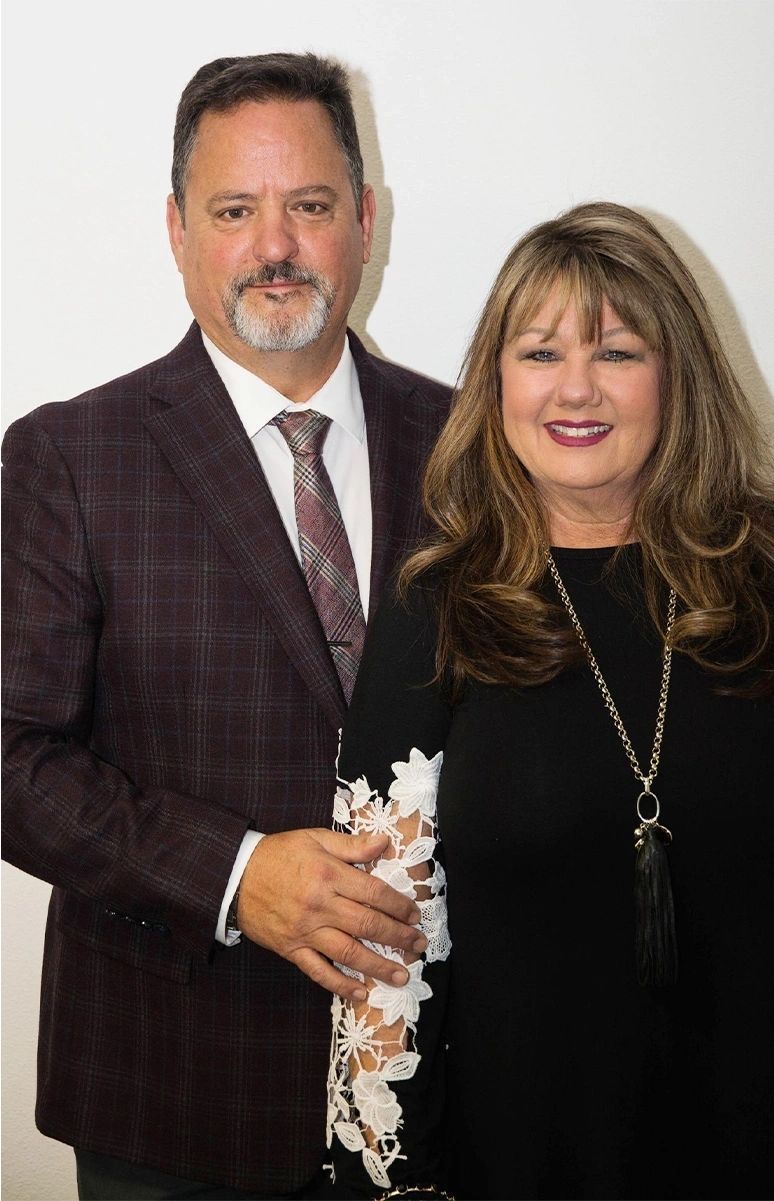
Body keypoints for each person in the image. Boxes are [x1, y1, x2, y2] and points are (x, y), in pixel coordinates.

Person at [2, 53, 450, 1199]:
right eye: (234, 211)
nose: (274, 246)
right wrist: (237, 874)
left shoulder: (467, 444)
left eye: (306, 205)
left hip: (447, 1080)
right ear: (177, 229)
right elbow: (11, 762)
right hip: (172, 1092)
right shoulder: (67, 457)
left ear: (362, 217)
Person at [326, 202, 774, 1200]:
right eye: (539, 352)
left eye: (618, 351)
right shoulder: (435, 605)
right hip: (524, 1156)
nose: (575, 388)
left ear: (677, 373)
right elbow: (378, 947)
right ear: (495, 380)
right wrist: (395, 1184)